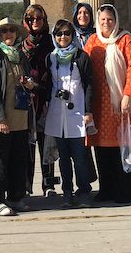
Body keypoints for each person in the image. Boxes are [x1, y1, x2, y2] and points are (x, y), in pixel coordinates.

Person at [84, 4, 131, 204]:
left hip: (123, 104)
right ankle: (106, 190)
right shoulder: (92, 41)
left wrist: (128, 94)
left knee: (124, 146)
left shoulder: (126, 40)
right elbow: (84, 69)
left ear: (116, 20)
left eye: (110, 19)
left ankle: (126, 191)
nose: (106, 23)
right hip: (100, 105)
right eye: (102, 19)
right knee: (103, 149)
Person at [0, 17, 34, 216]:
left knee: (18, 159)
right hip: (2, 120)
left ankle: (15, 196)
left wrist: (30, 84)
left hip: (20, 117)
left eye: (12, 30)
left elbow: (29, 81)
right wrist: (0, 118)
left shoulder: (21, 56)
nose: (9, 34)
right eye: (4, 31)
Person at [44, 19, 94, 207]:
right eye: (59, 34)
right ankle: (67, 192)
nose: (63, 37)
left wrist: (88, 110)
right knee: (63, 158)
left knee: (79, 157)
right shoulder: (51, 58)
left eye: (66, 33)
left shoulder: (81, 57)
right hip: (58, 112)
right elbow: (48, 84)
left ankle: (84, 191)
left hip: (77, 112)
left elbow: (89, 85)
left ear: (72, 35)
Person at [21, 3, 56, 197]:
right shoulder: (21, 43)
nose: (35, 22)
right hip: (26, 100)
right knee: (27, 144)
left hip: (45, 97)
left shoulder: (51, 42)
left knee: (46, 142)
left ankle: (48, 184)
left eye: (39, 18)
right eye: (31, 19)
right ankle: (26, 185)